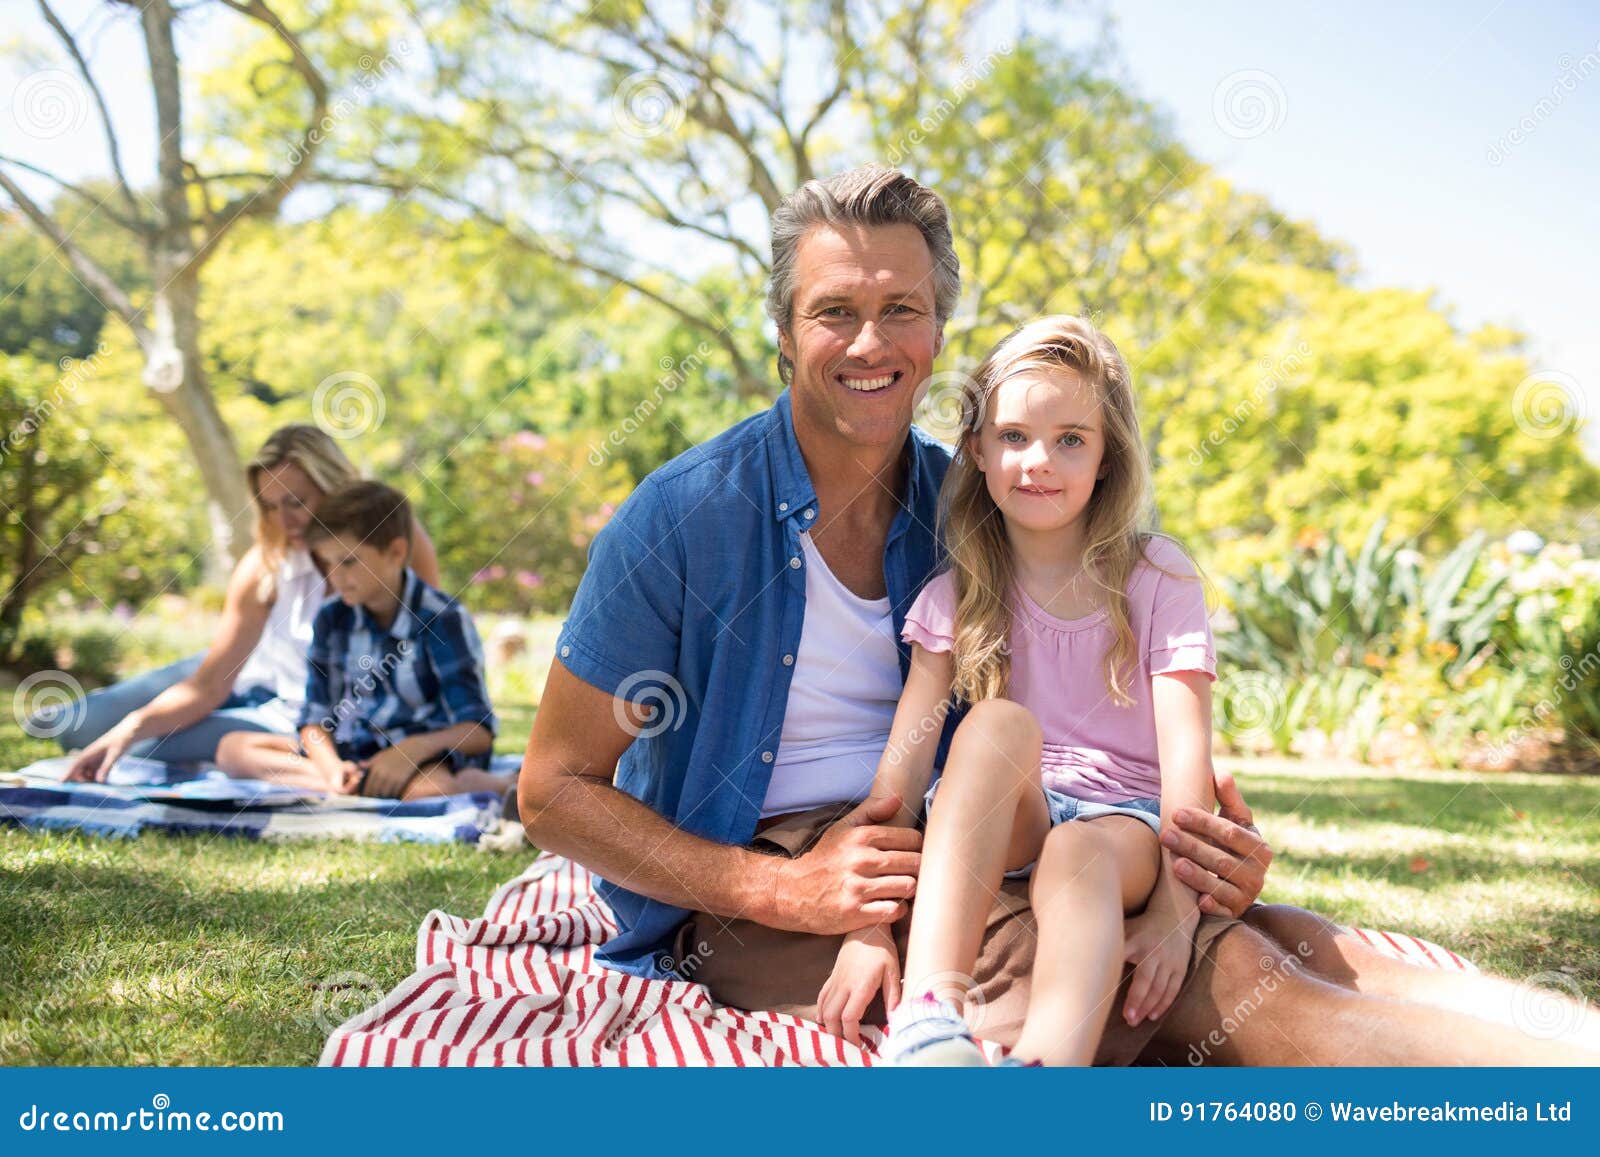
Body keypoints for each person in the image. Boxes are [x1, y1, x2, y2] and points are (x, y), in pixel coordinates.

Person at [519, 163, 1599, 1064]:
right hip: (784, 878)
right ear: (784, 329)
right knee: (1247, 994)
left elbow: (1103, 699)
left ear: (939, 329)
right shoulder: (683, 516)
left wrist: (1202, 852)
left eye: (901, 307)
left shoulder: (971, 510)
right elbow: (553, 791)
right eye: (833, 310)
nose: (868, 340)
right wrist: (783, 888)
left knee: (1281, 936)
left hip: (998, 833)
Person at [822, 315, 1216, 1066]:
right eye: (1013, 437)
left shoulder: (1159, 575)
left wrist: (1175, 908)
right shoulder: (957, 591)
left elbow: (1187, 763)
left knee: (1078, 852)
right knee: (998, 722)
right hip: (1012, 811)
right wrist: (865, 924)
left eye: (1071, 438)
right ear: (976, 448)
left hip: (1121, 824)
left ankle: (1046, 1071)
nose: (1039, 461)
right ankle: (931, 1017)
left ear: (1106, 456)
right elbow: (901, 774)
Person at [45, 425, 441, 782]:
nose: (285, 521)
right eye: (271, 506)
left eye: (297, 502)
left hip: (298, 712)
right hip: (246, 674)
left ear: (335, 486)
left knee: (148, 749)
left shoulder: (393, 541)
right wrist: (130, 725)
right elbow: (208, 684)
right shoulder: (267, 563)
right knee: (79, 727)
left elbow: (429, 650)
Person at [215, 481, 502, 801]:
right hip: (353, 751)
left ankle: (384, 785)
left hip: (424, 756)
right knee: (231, 749)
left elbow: (478, 732)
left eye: (349, 561)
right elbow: (314, 720)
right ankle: (353, 784)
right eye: (327, 562)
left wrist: (411, 749)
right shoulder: (332, 619)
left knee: (430, 788)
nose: (335, 576)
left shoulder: (441, 617)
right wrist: (331, 766)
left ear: (395, 552)